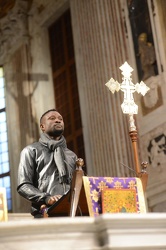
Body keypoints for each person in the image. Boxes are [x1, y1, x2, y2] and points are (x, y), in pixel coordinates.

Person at [17, 109, 77, 217]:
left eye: (60, 119)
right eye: (52, 118)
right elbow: (23, 185)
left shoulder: (71, 156)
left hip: (72, 211)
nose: (58, 121)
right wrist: (46, 198)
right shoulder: (30, 151)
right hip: (45, 211)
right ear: (42, 127)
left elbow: (79, 183)